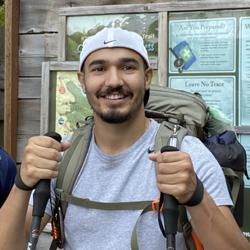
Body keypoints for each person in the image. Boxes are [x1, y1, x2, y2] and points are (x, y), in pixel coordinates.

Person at [0, 27, 249, 250]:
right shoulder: (63, 158)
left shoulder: (187, 154)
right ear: (82, 81)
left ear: (147, 77)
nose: (114, 81)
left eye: (128, 67)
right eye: (99, 69)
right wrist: (22, 184)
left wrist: (196, 196)